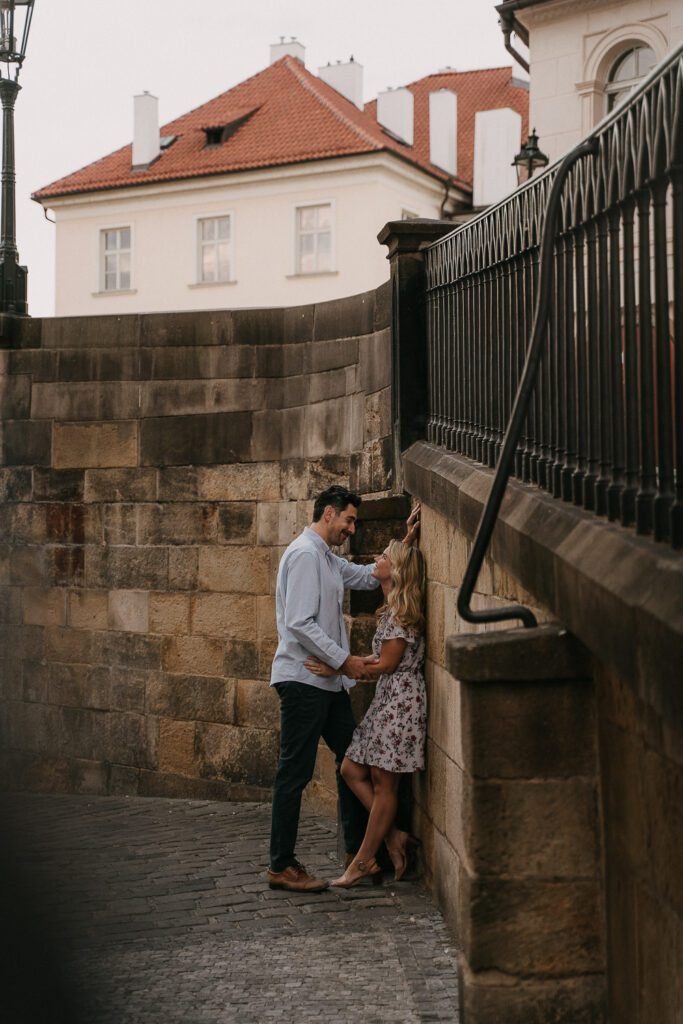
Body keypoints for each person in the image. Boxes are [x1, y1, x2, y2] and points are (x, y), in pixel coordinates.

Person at [266, 485, 419, 893]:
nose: (352, 528)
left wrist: (402, 546)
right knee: (293, 772)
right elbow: (300, 622)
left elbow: (372, 575)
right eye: (349, 520)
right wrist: (345, 661)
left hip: (327, 682)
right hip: (303, 681)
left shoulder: (328, 559)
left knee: (353, 760)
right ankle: (281, 864)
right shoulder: (303, 555)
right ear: (329, 514)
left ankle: (360, 853)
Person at [305, 538, 426, 888]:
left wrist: (339, 669)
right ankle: (393, 838)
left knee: (383, 781)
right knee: (351, 768)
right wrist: (407, 533)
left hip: (400, 701)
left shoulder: (402, 613)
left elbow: (387, 663)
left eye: (384, 556)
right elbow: (383, 662)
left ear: (396, 570)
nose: (378, 558)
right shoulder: (391, 607)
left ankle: (363, 860)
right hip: (388, 699)